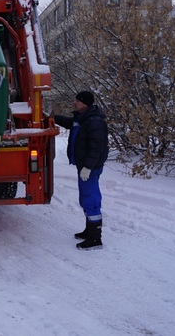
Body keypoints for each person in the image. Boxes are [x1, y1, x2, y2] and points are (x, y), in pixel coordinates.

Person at [53, 91, 109, 250]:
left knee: (90, 198)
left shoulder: (95, 121)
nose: (74, 102)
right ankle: (89, 230)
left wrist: (88, 167)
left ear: (85, 103)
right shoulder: (83, 118)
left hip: (89, 167)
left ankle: (95, 239)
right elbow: (70, 123)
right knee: (85, 197)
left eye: (77, 100)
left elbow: (96, 147)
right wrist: (53, 118)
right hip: (84, 166)